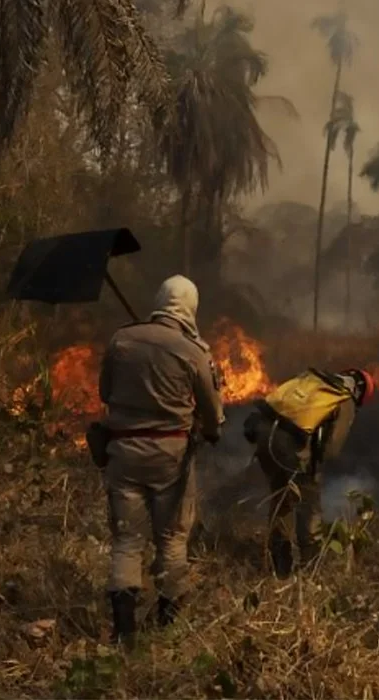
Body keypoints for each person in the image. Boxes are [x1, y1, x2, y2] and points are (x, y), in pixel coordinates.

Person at [96, 275, 223, 646]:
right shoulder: (194, 351)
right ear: (191, 307)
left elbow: (105, 391)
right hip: (171, 457)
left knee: (127, 539)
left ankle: (124, 634)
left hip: (123, 452)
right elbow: (213, 415)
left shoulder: (122, 339)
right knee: (172, 536)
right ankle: (168, 624)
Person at [243, 366, 375, 578]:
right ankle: (310, 568)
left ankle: (279, 566)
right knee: (309, 503)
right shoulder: (344, 398)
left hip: (263, 433)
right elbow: (331, 450)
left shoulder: (314, 379)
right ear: (359, 392)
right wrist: (313, 465)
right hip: (288, 448)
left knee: (281, 499)